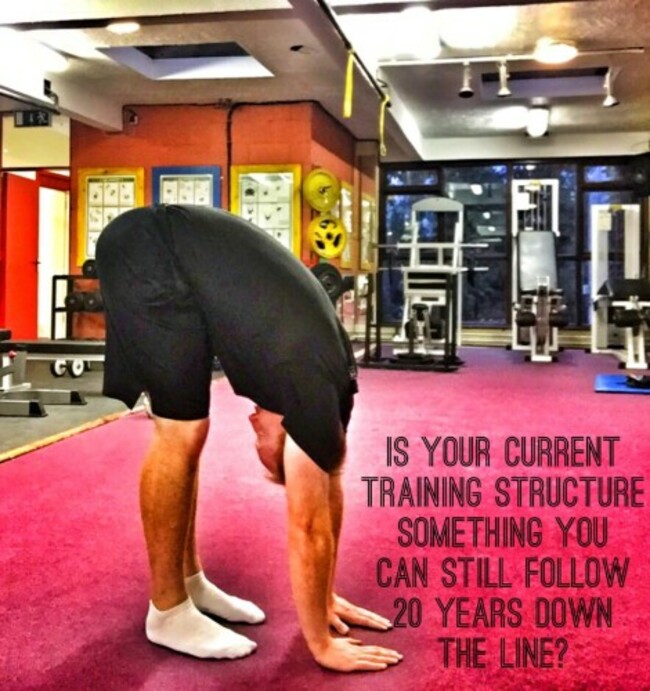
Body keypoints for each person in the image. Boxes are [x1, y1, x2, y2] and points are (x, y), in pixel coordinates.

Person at [95, 204, 402, 673]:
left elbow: (323, 496)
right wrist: (320, 643)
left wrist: (325, 597)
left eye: (270, 461)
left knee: (190, 427)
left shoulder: (321, 398)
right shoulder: (311, 394)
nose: (255, 434)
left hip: (165, 251)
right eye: (267, 461)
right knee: (182, 428)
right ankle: (168, 611)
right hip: (149, 248)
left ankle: (189, 583)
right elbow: (312, 524)